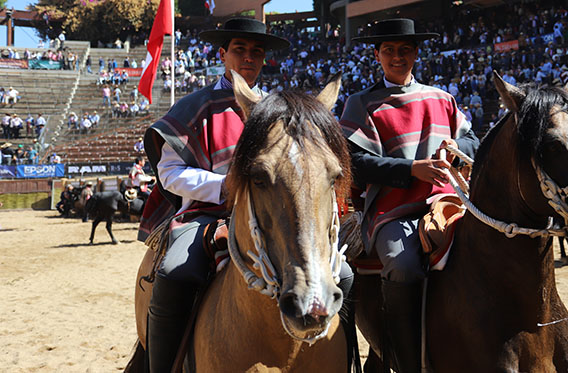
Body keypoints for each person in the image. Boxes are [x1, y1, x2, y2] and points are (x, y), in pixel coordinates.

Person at [137, 18, 312, 373]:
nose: (249, 58)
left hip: (273, 217)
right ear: (222, 54)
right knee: (175, 272)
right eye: (239, 50)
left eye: (257, 52)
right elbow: (169, 173)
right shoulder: (193, 106)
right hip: (205, 216)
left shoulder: (283, 111)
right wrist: (224, 186)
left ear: (264, 60)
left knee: (340, 273)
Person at [340, 19, 480, 373]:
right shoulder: (361, 104)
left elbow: (472, 141)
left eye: (404, 50)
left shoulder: (442, 98)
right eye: (388, 50)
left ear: (415, 53)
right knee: (402, 267)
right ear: (377, 55)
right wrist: (409, 170)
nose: (397, 57)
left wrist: (456, 145)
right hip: (391, 212)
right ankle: (405, 360)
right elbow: (354, 163)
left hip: (448, 203)